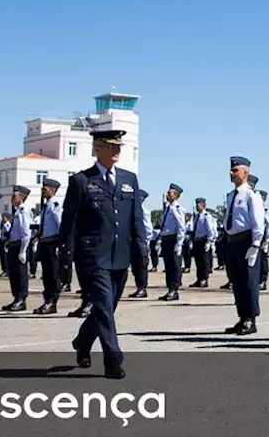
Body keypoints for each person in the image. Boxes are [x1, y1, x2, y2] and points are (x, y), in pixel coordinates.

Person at [58, 129, 143, 379]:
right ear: (97, 148)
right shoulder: (82, 180)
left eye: (119, 146)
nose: (117, 150)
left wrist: (141, 250)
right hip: (93, 256)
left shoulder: (130, 179)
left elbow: (136, 218)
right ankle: (113, 359)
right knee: (104, 305)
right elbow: (69, 223)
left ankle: (83, 342)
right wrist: (66, 256)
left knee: (107, 308)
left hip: (121, 254)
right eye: (110, 146)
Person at [222, 156, 265, 335]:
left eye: (235, 170)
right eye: (231, 170)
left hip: (246, 241)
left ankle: (251, 319)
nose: (232, 173)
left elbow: (258, 222)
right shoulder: (231, 195)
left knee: (249, 281)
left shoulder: (251, 195)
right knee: (237, 282)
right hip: (232, 241)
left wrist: (255, 245)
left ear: (245, 173)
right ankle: (242, 317)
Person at [34, 178, 63, 315]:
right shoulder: (46, 206)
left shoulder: (55, 205)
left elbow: (60, 225)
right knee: (46, 274)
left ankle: (52, 301)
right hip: (44, 242)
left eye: (45, 189)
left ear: (52, 190)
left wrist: (60, 244)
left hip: (52, 243)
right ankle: (47, 301)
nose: (42, 191)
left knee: (52, 274)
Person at [2, 185, 34, 312]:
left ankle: (21, 299)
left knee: (20, 274)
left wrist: (23, 250)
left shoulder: (24, 211)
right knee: (13, 274)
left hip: (20, 245)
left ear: (21, 197)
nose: (12, 197)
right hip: (13, 245)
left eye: (14, 195)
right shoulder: (17, 211)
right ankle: (16, 298)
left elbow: (26, 233)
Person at [158, 183, 187, 302]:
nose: (167, 195)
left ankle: (174, 289)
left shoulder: (177, 209)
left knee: (175, 266)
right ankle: (169, 288)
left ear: (176, 195)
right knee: (168, 266)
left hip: (173, 239)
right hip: (166, 239)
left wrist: (179, 243)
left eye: (170, 193)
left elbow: (181, 227)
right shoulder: (168, 209)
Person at [189, 197, 216, 288]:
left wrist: (209, 242)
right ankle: (199, 278)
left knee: (205, 262)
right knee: (198, 261)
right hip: (197, 240)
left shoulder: (206, 216)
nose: (197, 206)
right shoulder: (196, 216)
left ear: (203, 205)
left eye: (199, 204)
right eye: (196, 204)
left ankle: (204, 279)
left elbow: (210, 230)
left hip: (204, 240)